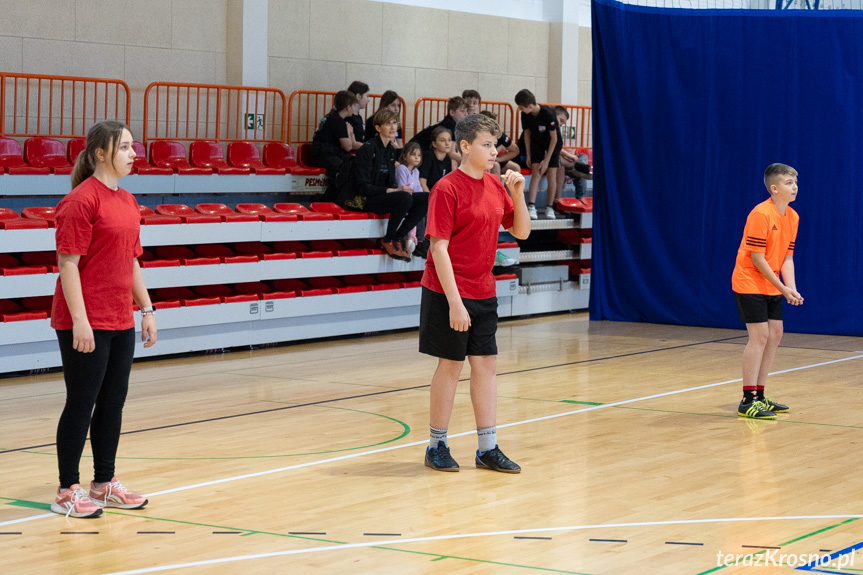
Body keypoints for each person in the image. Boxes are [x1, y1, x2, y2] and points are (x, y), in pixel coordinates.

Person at [50, 120, 157, 518]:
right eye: (126, 147)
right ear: (101, 153)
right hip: (84, 320)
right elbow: (68, 263)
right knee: (81, 402)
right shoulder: (81, 200)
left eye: (134, 147)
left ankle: (103, 484)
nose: (134, 154)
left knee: (113, 403)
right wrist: (80, 320)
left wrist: (146, 309)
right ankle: (66, 489)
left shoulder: (127, 201)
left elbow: (131, 261)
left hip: (120, 319)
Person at [420, 113, 531, 473]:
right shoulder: (447, 188)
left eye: (496, 144)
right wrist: (454, 302)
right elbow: (439, 248)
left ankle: (488, 447)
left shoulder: (497, 186)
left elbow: (522, 232)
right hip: (447, 290)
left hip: (483, 290)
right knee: (450, 365)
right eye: (486, 144)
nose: (494, 151)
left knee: (486, 365)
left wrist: (518, 193)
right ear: (465, 147)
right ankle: (436, 444)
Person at [732, 163, 802, 420]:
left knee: (775, 334)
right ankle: (747, 399)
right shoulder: (761, 214)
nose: (794, 187)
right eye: (788, 183)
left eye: (795, 182)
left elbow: (787, 258)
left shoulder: (792, 217)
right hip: (750, 280)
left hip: (772, 284)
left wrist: (791, 289)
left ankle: (760, 395)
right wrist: (782, 287)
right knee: (759, 336)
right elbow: (758, 258)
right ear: (774, 188)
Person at [336, 108, 428, 261]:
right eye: (388, 123)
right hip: (364, 199)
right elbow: (363, 187)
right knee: (404, 198)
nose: (393, 127)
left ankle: (399, 236)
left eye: (394, 123)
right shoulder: (367, 149)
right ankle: (388, 239)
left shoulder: (390, 151)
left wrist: (397, 189)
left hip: (382, 196)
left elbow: (390, 180)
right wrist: (394, 190)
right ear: (378, 128)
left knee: (426, 198)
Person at [515, 89, 561, 220]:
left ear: (529, 106)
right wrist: (529, 154)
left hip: (552, 143)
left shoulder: (548, 113)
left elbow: (554, 139)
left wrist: (547, 160)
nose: (520, 110)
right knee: (536, 172)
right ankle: (531, 206)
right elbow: (527, 133)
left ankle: (550, 207)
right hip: (537, 142)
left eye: (522, 108)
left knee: (551, 173)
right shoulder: (525, 114)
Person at [311, 90, 358, 200]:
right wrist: (350, 133)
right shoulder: (339, 121)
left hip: (322, 155)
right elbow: (348, 147)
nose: (354, 108)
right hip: (325, 157)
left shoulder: (331, 117)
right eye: (353, 105)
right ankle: (327, 200)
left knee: (350, 166)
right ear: (348, 107)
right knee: (346, 171)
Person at [395, 142, 423, 256]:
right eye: (413, 154)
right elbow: (402, 186)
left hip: (412, 197)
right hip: (403, 198)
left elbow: (418, 189)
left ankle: (421, 239)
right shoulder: (401, 168)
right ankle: (414, 237)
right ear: (405, 156)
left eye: (419, 155)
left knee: (426, 207)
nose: (417, 157)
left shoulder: (416, 171)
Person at [479, 110, 520, 176]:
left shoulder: (499, 135)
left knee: (515, 168)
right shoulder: (476, 135)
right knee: (495, 166)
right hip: (480, 160)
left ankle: (506, 186)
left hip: (493, 159)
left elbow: (515, 150)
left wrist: (499, 159)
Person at [419, 126, 454, 194]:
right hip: (427, 193)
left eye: (449, 140)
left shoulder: (447, 159)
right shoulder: (428, 156)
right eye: (442, 140)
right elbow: (422, 181)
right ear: (434, 144)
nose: (447, 143)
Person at [347, 80, 370, 145]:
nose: (368, 100)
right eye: (367, 96)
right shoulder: (347, 118)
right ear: (358, 96)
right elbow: (351, 144)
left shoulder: (359, 117)